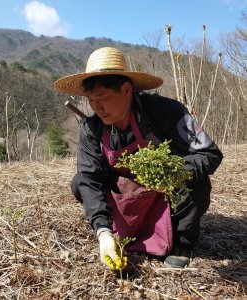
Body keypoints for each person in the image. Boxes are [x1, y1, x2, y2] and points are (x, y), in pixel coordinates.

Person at [54, 47, 223, 269]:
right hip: (126, 192)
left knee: (196, 183)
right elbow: (89, 177)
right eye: (91, 100)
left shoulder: (166, 111)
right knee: (79, 183)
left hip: (165, 193)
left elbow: (209, 154)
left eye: (102, 98)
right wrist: (102, 231)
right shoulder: (91, 128)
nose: (97, 108)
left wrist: (173, 172)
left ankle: (181, 242)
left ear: (126, 90)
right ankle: (112, 228)